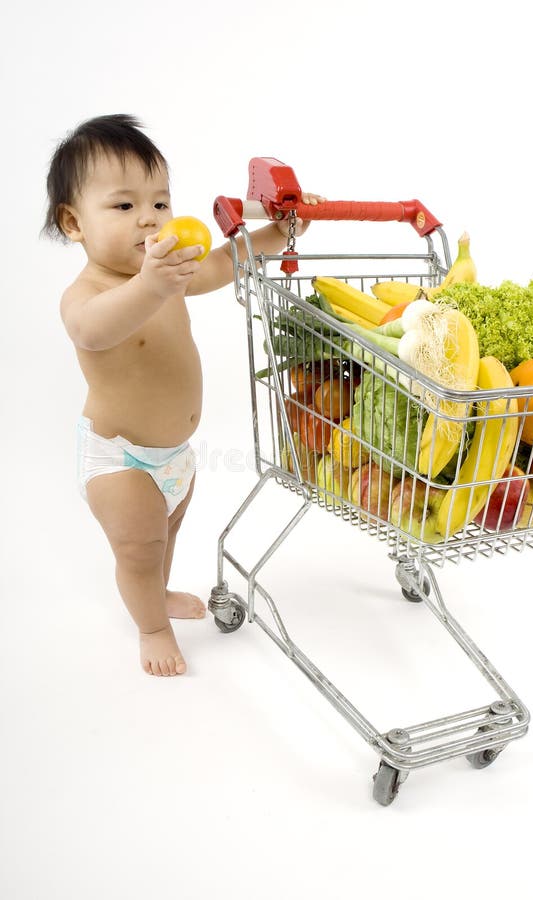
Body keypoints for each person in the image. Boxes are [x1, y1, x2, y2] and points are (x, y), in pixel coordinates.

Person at [43, 114, 323, 677]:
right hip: (120, 458)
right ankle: (151, 627)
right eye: (123, 207)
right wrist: (149, 286)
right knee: (139, 548)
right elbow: (92, 331)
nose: (148, 218)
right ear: (74, 222)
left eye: (160, 203)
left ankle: (159, 591)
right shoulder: (90, 293)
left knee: (165, 534)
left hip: (175, 456)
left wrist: (284, 232)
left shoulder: (170, 271)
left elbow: (224, 261)